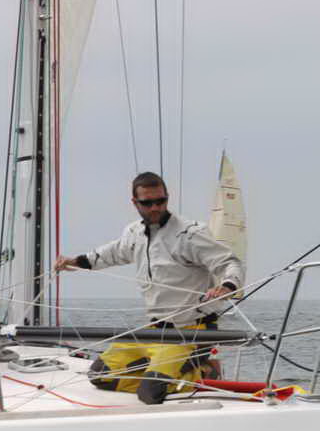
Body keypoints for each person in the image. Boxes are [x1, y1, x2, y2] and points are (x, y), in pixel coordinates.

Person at [54, 171, 244, 403]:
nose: (155, 207)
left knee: (150, 394)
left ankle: (204, 372)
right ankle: (163, 376)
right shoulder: (134, 233)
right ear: (135, 203)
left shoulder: (190, 234)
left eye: (161, 201)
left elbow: (229, 262)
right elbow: (112, 253)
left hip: (191, 333)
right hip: (153, 330)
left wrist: (227, 285)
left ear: (167, 198)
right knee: (100, 376)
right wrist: (75, 262)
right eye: (147, 203)